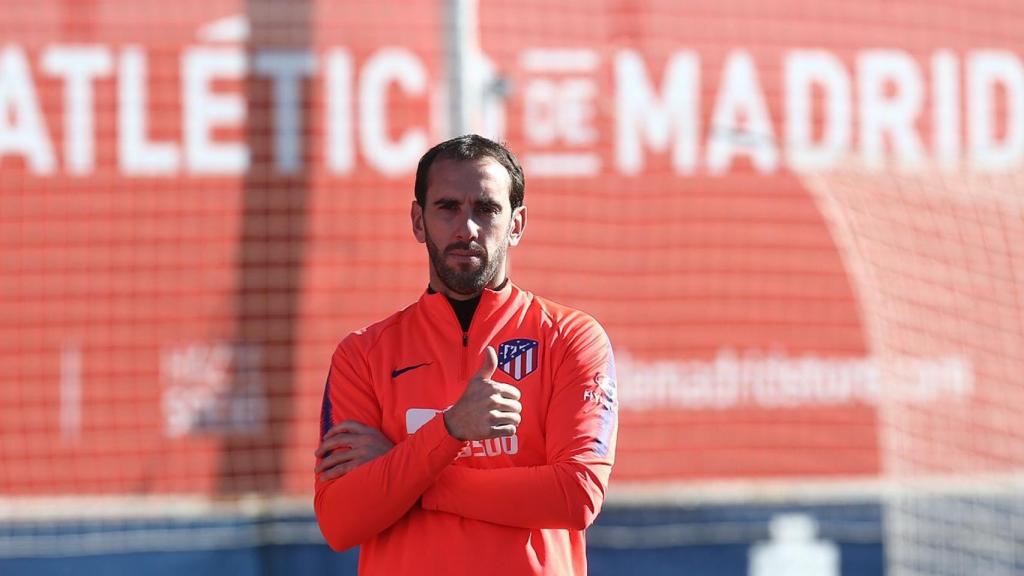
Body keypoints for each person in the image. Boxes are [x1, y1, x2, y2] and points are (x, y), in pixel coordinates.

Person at [313, 134, 618, 575]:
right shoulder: (362, 355)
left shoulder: (570, 338)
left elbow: (577, 495)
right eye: (448, 207)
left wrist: (410, 469)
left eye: (487, 208)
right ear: (418, 221)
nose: (467, 228)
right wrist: (452, 429)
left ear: (517, 223)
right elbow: (340, 522)